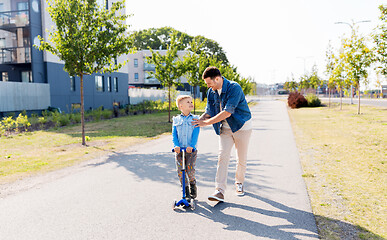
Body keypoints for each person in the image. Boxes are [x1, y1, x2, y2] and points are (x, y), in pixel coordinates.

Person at [192, 66, 252, 202]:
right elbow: (209, 111)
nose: (208, 86)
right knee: (222, 157)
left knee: (241, 158)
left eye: (209, 83)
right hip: (225, 128)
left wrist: (206, 124)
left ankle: (239, 183)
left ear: (217, 79)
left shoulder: (234, 87)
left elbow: (227, 112)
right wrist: (198, 121)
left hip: (241, 126)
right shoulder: (211, 92)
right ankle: (219, 191)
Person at [172, 95, 200, 200]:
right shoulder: (176, 120)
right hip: (179, 150)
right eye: (188, 102)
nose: (191, 103)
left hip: (191, 151)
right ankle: (185, 191)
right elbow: (174, 134)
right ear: (181, 106)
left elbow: (196, 133)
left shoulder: (195, 119)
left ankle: (192, 184)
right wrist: (176, 145)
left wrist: (192, 146)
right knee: (180, 172)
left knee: (190, 170)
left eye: (191, 102)